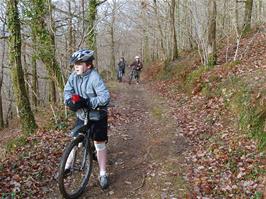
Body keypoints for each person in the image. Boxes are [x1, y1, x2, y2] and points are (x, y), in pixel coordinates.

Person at [64, 49, 110, 189]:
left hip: (97, 115)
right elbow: (67, 91)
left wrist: (89, 102)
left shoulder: (95, 78)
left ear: (88, 65)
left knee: (99, 143)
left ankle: (103, 173)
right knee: (76, 138)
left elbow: (105, 97)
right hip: (82, 114)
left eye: (79, 63)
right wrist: (70, 101)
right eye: (74, 64)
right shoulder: (73, 76)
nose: (75, 66)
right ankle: (66, 167)